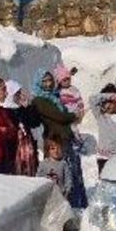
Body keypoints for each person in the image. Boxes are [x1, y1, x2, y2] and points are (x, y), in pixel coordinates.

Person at [31, 68, 87, 207]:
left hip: (65, 139)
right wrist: (74, 116)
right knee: (60, 176)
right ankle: (66, 206)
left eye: (50, 80)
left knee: (72, 173)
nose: (48, 84)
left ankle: (77, 205)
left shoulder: (54, 97)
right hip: (55, 141)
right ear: (39, 83)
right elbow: (60, 117)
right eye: (44, 81)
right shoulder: (40, 100)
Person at [90, 83, 116, 176]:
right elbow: (92, 99)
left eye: (110, 102)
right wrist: (111, 96)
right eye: (104, 102)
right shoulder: (101, 116)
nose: (107, 105)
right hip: (105, 158)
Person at [2, 80, 40, 176]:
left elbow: (34, 123)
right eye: (16, 93)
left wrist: (28, 107)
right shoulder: (4, 111)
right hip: (15, 150)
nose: (19, 95)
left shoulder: (21, 108)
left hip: (28, 147)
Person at [36, 134, 73, 199]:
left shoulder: (63, 164)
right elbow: (38, 179)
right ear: (48, 150)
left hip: (61, 196)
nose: (56, 151)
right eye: (53, 148)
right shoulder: (43, 164)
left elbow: (68, 180)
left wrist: (67, 192)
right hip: (46, 196)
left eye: (58, 148)